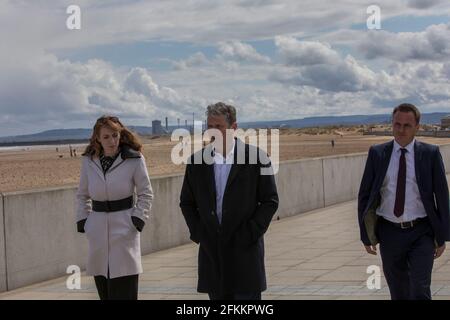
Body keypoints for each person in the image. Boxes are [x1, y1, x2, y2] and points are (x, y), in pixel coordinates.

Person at [180, 102, 279, 300]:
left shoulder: (258, 158)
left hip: (245, 253)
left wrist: (251, 233)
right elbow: (187, 203)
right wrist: (200, 233)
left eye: (219, 127)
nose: (213, 132)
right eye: (210, 126)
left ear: (234, 127)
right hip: (212, 253)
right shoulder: (196, 162)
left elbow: (270, 201)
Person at [358, 103, 450, 300]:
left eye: (407, 125)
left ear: (417, 127)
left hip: (422, 231)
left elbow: (442, 196)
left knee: (419, 289)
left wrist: (442, 236)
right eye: (397, 124)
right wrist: (366, 234)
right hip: (389, 232)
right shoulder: (377, 153)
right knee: (398, 291)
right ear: (391, 124)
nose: (401, 130)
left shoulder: (430, 154)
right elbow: (365, 195)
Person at [76, 115, 153, 300]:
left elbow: (146, 193)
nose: (112, 141)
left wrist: (136, 220)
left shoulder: (134, 159)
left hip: (125, 228)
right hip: (97, 230)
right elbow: (82, 195)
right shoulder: (89, 161)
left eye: (115, 135)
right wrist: (84, 222)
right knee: (105, 290)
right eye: (106, 137)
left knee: (125, 289)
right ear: (98, 139)